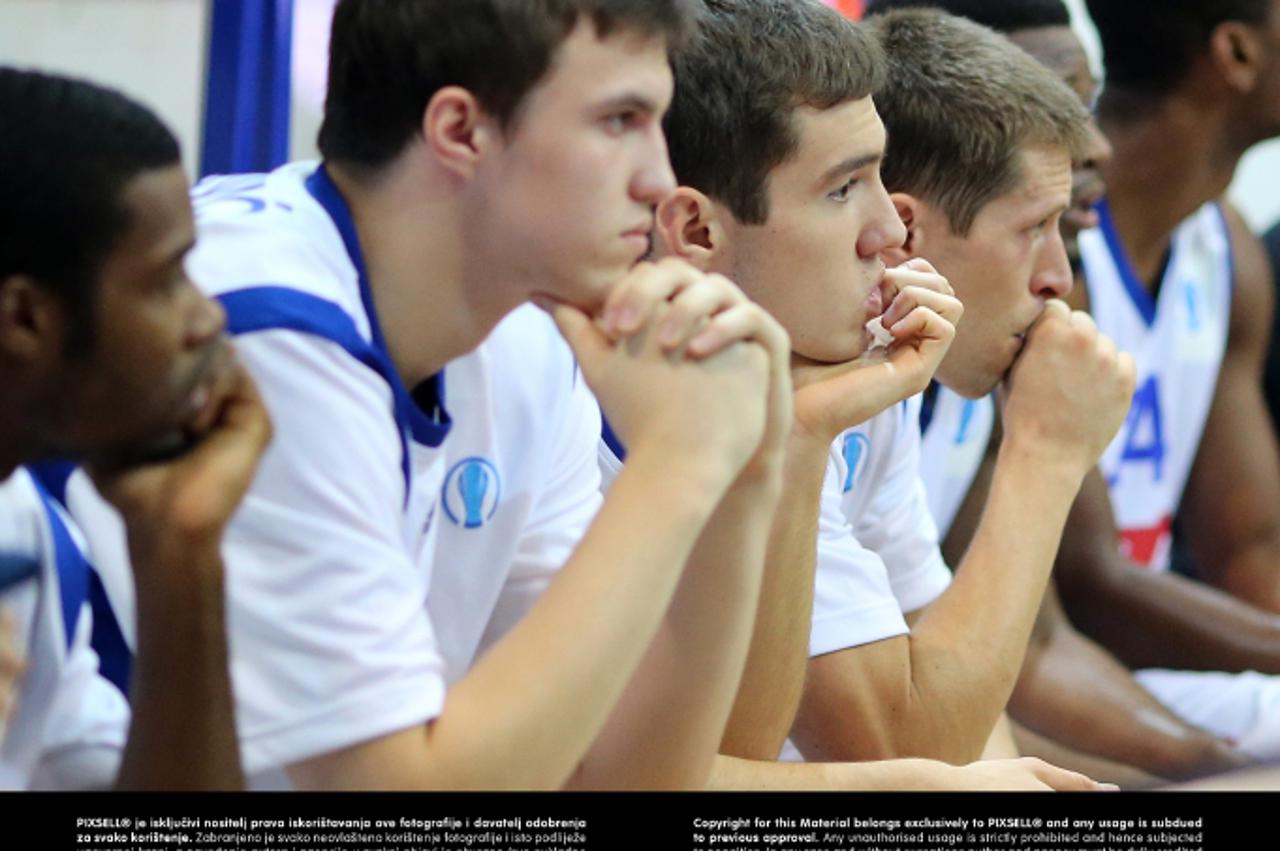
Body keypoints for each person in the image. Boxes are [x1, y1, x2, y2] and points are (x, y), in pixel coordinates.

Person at [66, 0, 793, 791]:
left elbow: (617, 775)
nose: (660, 178)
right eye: (621, 119)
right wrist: (678, 466)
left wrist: (745, 477)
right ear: (460, 130)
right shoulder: (259, 333)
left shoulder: (523, 332)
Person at [601, 0, 1124, 788]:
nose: (889, 231)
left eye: (879, 176)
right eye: (846, 188)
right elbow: (896, 743)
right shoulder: (566, 384)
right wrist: (1045, 454)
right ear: (697, 232)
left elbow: (967, 738)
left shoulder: (851, 363)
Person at [864, 0, 1259, 781]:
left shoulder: (966, 339)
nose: (1095, 142)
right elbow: (901, 728)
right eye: (1060, 99)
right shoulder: (845, 383)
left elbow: (990, 682)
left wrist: (1203, 772)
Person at [0, 67, 272, 790]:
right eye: (166, 280)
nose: (208, 317)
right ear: (25, 318)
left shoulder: (22, 527)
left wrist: (181, 546)